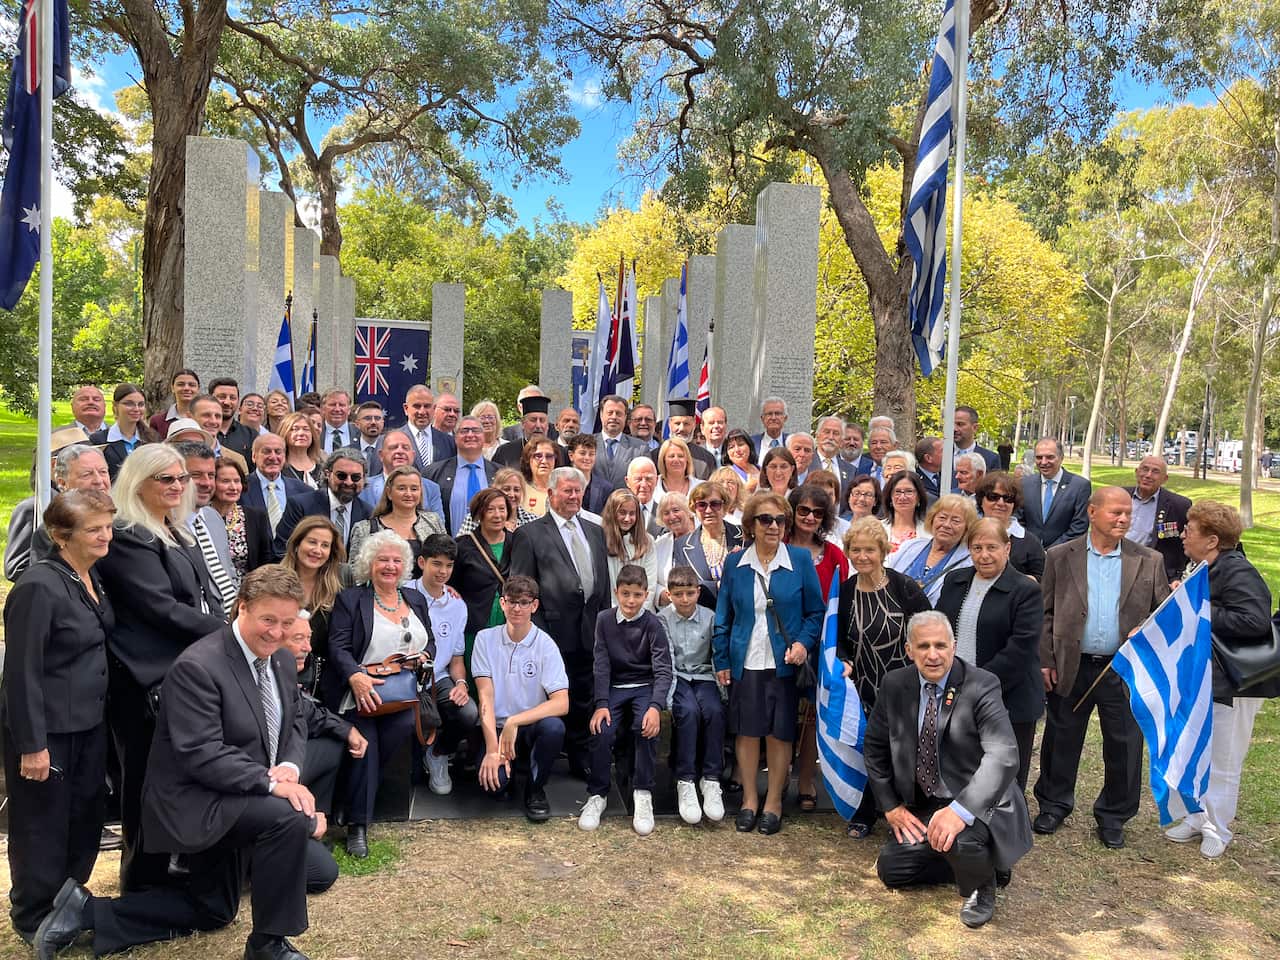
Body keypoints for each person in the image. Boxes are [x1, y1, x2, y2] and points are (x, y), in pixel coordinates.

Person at [33, 565, 317, 960]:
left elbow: (295, 723)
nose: (277, 632)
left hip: (240, 792)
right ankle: (269, 944)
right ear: (242, 608)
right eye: (268, 619)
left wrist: (289, 767)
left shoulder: (282, 662)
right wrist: (273, 785)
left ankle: (85, 912)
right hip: (194, 800)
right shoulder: (198, 666)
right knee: (288, 818)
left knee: (214, 910)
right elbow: (200, 753)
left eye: (287, 622)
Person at [96, 445, 227, 891]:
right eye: (165, 479)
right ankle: (140, 881)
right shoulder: (130, 533)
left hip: (176, 672)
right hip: (142, 679)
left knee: (170, 777)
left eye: (181, 478)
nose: (176, 486)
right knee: (143, 782)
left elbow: (198, 596)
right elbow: (162, 609)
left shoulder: (171, 528)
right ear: (137, 481)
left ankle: (170, 866)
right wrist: (230, 635)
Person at [864, 611, 1033, 929]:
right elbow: (874, 748)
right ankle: (988, 861)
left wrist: (960, 811)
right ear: (908, 650)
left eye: (940, 645)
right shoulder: (894, 684)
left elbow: (1004, 754)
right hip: (924, 801)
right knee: (892, 870)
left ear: (953, 647)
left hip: (978, 800)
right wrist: (891, 806)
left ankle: (982, 885)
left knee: (957, 839)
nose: (932, 654)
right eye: (923, 646)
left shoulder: (981, 685)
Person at [3, 491, 115, 944]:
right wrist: (32, 745)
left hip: (88, 725)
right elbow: (21, 672)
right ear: (60, 535)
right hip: (48, 733)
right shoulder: (38, 587)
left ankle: (67, 904)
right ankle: (33, 918)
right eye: (94, 529)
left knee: (84, 818)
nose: (105, 535)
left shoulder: (89, 576)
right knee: (42, 828)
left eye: (107, 526)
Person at [1033, 486, 1169, 849]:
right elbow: (1045, 612)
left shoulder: (1149, 560)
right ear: (1092, 513)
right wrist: (1046, 659)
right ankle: (1054, 804)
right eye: (1115, 513)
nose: (1124, 518)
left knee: (1124, 743)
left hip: (1122, 669)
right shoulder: (1061, 556)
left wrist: (1150, 627)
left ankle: (1114, 815)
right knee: (1062, 736)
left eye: (1128, 513)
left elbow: (1163, 613)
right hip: (1070, 664)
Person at [1165, 501, 1277, 858]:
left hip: (1235, 684)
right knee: (1196, 752)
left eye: (1191, 529)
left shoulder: (1238, 571)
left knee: (1224, 757)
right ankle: (1196, 818)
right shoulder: (1205, 566)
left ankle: (1218, 827)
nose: (1184, 533)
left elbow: (1254, 621)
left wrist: (1199, 607)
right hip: (1206, 680)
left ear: (1212, 540)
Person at [713, 492, 824, 835]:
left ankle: (774, 801)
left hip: (783, 662)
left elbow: (815, 612)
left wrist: (804, 645)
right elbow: (723, 616)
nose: (773, 526)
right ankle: (749, 799)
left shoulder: (801, 560)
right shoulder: (735, 563)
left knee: (779, 733)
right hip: (744, 659)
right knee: (746, 731)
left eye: (780, 520)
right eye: (765, 519)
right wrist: (721, 658)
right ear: (750, 524)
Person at [324, 531, 434, 857]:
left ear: (406, 566)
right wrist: (356, 676)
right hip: (362, 692)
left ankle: (347, 799)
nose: (389, 566)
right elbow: (338, 646)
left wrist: (425, 658)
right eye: (382, 559)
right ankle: (358, 825)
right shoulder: (351, 599)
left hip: (402, 694)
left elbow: (430, 643)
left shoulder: (415, 599)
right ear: (369, 564)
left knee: (400, 729)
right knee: (365, 744)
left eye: (396, 560)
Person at [508, 467, 611, 777]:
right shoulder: (531, 534)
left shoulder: (595, 530)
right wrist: (535, 632)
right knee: (546, 698)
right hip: (549, 633)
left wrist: (603, 625)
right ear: (550, 494)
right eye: (567, 490)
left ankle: (580, 758)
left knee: (582, 696)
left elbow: (602, 583)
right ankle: (538, 763)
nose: (574, 496)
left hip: (588, 631)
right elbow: (521, 586)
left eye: (578, 491)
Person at [837, 517, 932, 837]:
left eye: (869, 550)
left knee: (903, 751)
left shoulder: (903, 587)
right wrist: (844, 661)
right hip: (862, 685)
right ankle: (865, 812)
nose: (862, 556)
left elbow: (929, 629)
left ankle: (902, 813)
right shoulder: (846, 591)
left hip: (903, 685)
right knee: (867, 748)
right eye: (855, 550)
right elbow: (838, 639)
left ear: (882, 551)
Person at [935, 519, 1045, 790]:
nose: (984, 555)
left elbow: (1021, 648)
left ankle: (1004, 828)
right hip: (955, 690)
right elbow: (939, 629)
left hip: (1009, 695)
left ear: (1007, 548)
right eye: (977, 547)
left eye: (992, 547)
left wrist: (975, 685)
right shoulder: (955, 581)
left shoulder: (1025, 590)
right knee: (962, 766)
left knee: (1004, 773)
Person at [579, 565, 673, 835]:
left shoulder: (653, 624)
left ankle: (643, 793)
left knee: (646, 727)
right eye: (626, 594)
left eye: (637, 595)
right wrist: (601, 704)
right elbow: (602, 665)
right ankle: (597, 794)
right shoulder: (604, 620)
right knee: (602, 730)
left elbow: (663, 669)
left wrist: (656, 706)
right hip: (615, 687)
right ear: (615, 592)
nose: (631, 601)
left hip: (645, 686)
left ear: (646, 595)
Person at [473, 576, 570, 821]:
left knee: (554, 727)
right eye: (512, 602)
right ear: (502, 603)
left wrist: (514, 721)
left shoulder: (545, 645)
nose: (517, 608)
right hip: (495, 729)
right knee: (495, 787)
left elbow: (562, 703)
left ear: (534, 606)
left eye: (525, 603)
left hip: (527, 728)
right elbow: (485, 697)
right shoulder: (485, 640)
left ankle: (535, 790)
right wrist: (493, 750)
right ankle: (508, 767)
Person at [281, 615, 366, 894]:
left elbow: (311, 713)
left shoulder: (284, 676)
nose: (307, 647)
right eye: (298, 639)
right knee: (322, 873)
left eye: (309, 639)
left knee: (333, 743)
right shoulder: (257, 678)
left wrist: (347, 730)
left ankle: (316, 823)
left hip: (281, 774)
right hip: (258, 788)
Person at [786, 484, 850, 813]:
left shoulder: (835, 555)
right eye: (803, 511)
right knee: (782, 715)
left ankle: (807, 779)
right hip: (780, 642)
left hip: (820, 646)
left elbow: (842, 605)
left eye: (818, 513)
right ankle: (779, 777)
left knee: (812, 716)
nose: (810, 517)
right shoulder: (777, 547)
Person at [407, 535, 477, 796]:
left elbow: (457, 658)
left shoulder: (457, 604)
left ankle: (438, 754)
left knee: (468, 713)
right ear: (422, 562)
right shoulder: (403, 592)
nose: (443, 572)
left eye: (449, 566)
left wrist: (461, 683)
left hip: (440, 677)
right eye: (437, 564)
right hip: (405, 677)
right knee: (411, 775)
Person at [659, 565, 727, 825]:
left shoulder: (710, 617)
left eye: (690, 593)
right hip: (679, 679)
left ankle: (710, 779)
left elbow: (716, 656)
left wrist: (723, 691)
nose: (685, 599)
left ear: (698, 592)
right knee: (687, 712)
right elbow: (668, 661)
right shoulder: (662, 619)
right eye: (678, 594)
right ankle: (685, 779)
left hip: (705, 677)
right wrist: (669, 695)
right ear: (669, 594)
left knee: (713, 710)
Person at [5, 440, 111, 582]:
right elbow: (18, 569)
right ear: (62, 482)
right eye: (86, 474)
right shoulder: (39, 514)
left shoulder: (115, 514)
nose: (98, 480)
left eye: (103, 471)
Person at [451, 489, 513, 693]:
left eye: (502, 509)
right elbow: (450, 583)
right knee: (477, 674)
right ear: (479, 513)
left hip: (509, 621)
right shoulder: (463, 545)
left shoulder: (519, 541)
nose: (497, 515)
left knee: (506, 676)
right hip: (476, 622)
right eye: (490, 510)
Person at [279, 517, 346, 686]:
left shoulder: (341, 586)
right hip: (282, 674)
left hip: (326, 681)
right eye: (312, 542)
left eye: (325, 545)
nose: (317, 550)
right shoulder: (274, 581)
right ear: (297, 544)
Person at [272, 448, 372, 558]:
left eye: (356, 477)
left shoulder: (368, 513)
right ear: (327, 474)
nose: (348, 482)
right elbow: (282, 551)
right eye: (341, 476)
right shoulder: (301, 505)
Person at [176, 441, 239, 615]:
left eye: (211, 475)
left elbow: (229, 573)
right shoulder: (167, 526)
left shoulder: (213, 518)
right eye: (196, 475)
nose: (206, 483)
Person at [348, 464, 446, 567]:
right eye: (402, 488)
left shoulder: (434, 521)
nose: (408, 494)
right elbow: (355, 573)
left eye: (414, 489)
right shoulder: (364, 529)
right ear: (389, 492)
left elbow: (445, 559)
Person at [887, 495, 978, 604]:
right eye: (942, 517)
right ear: (932, 519)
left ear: (967, 528)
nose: (946, 525)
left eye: (955, 521)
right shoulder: (910, 546)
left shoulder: (969, 563)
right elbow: (887, 579)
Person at [673, 480, 743, 611]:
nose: (708, 510)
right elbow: (683, 584)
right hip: (703, 617)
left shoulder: (744, 535)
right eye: (701, 505)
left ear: (725, 507)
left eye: (715, 504)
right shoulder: (681, 545)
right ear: (694, 509)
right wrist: (717, 587)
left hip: (740, 615)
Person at [424, 415, 498, 534]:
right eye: (464, 431)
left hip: (491, 549)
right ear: (455, 437)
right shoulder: (434, 473)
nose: (470, 435)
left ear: (483, 437)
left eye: (475, 430)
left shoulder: (499, 473)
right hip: (450, 548)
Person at [1125, 455, 1191, 584]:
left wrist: (1175, 575)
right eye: (1144, 469)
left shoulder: (1179, 505)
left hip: (1151, 575)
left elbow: (1183, 544)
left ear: (1164, 479)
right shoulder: (1120, 495)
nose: (1148, 475)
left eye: (1155, 471)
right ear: (1136, 472)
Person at [209, 459, 272, 591]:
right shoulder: (201, 517)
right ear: (212, 483)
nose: (233, 487)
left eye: (237, 481)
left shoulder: (256, 516)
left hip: (249, 593)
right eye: (225, 481)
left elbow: (266, 562)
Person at [359, 429, 445, 519]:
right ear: (381, 455)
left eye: (405, 448)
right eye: (393, 447)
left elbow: (438, 526)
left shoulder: (431, 488)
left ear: (413, 455)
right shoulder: (365, 486)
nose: (400, 451)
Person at [1021, 438, 1091, 548]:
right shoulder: (1024, 484)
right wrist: (1032, 550)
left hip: (1063, 556)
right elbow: (1018, 520)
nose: (1043, 462)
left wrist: (1051, 552)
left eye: (1050, 457)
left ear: (1061, 457)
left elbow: (1079, 527)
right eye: (1039, 457)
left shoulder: (1079, 486)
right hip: (1029, 555)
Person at [975, 471, 1046, 579]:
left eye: (1008, 498)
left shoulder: (1030, 542)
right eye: (993, 496)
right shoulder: (967, 533)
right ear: (981, 500)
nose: (1000, 503)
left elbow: (1042, 579)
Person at [243, 433, 311, 540]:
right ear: (254, 456)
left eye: (278, 452)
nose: (273, 457)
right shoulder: (241, 488)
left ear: (284, 457)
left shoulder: (303, 491)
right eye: (266, 451)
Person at [601, 489, 658, 608]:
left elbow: (650, 584)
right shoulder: (600, 539)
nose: (627, 519)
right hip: (610, 613)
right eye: (622, 512)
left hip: (641, 613)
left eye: (632, 513)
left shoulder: (647, 541)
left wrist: (636, 614)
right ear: (612, 513)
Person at [91, 383, 157, 480]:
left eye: (141, 404)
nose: (136, 409)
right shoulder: (98, 440)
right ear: (115, 406)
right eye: (129, 404)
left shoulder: (152, 439)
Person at [459, 466, 537, 534]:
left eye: (516, 490)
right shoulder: (476, 518)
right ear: (495, 490)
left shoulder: (533, 521)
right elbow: (460, 548)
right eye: (506, 489)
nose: (512, 494)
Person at [591, 395, 648, 489]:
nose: (614, 417)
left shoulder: (640, 448)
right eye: (610, 413)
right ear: (601, 415)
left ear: (625, 417)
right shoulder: (587, 444)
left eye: (618, 413)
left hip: (625, 502)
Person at [656, 398, 718, 478]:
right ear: (669, 423)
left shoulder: (706, 458)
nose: (681, 428)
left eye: (686, 424)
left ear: (694, 423)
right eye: (677, 423)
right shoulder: (656, 456)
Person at [653, 493, 697, 606]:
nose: (672, 517)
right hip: (668, 611)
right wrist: (662, 594)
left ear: (688, 511)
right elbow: (652, 580)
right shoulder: (658, 545)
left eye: (676, 510)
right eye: (666, 513)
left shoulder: (702, 538)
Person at [492, 395, 556, 469]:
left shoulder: (558, 452)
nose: (538, 425)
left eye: (542, 420)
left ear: (547, 425)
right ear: (523, 423)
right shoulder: (504, 452)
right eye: (533, 420)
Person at [208, 378, 258, 461]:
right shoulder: (200, 432)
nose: (227, 402)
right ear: (210, 399)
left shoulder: (250, 435)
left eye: (232, 398)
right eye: (222, 397)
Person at [879, 470, 928, 553]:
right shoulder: (876, 529)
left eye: (909, 491)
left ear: (919, 497)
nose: (902, 497)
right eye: (897, 492)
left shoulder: (929, 533)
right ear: (890, 497)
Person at [566, 433, 612, 515]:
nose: (587, 458)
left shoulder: (606, 488)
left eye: (591, 454)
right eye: (582, 453)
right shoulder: (561, 483)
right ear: (571, 455)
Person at [148, 368, 200, 439]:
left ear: (198, 389)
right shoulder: (157, 421)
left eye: (192, 385)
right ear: (172, 388)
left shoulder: (206, 419)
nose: (186, 388)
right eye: (181, 384)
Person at [278, 411, 324, 489]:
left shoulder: (322, 466)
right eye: (295, 429)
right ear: (284, 433)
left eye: (306, 429)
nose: (301, 433)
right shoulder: (278, 468)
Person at [518, 434, 560, 517]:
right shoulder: (519, 490)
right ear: (528, 459)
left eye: (549, 456)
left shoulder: (563, 490)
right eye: (538, 456)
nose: (544, 461)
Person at [814, 415, 857, 491]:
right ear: (817, 436)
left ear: (842, 440)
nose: (830, 437)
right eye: (826, 432)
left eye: (836, 433)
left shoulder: (851, 470)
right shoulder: (805, 463)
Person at [953, 405, 1000, 472]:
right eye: (952, 424)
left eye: (960, 424)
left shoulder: (990, 459)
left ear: (975, 428)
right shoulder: (941, 455)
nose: (954, 429)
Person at [625, 457, 665, 536]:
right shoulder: (617, 514)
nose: (644, 485)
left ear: (656, 480)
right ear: (627, 481)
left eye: (649, 479)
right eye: (638, 479)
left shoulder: (665, 514)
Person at [751, 397, 790, 464]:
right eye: (769, 414)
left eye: (777, 413)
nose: (773, 418)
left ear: (785, 418)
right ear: (762, 418)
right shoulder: (751, 443)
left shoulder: (792, 442)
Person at [315, 389, 354, 454]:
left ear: (349, 410)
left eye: (342, 405)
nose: (337, 409)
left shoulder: (359, 433)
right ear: (323, 409)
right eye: (332, 405)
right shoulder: (314, 433)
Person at [352, 401, 385, 477]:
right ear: (357, 424)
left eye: (377, 418)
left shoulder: (391, 451)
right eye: (368, 418)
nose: (373, 422)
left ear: (383, 422)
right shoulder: (347, 451)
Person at [723, 429, 761, 495]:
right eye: (731, 447)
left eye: (740, 444)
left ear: (749, 446)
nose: (737, 450)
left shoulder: (761, 469)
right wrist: (747, 489)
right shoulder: (726, 474)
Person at [915, 437, 944, 501]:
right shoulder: (914, 480)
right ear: (928, 458)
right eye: (943, 451)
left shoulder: (953, 476)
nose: (948, 454)